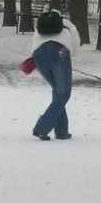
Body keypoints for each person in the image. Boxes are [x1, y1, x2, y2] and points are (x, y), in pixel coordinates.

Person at [30, 9, 81, 141]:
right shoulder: (67, 24)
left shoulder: (40, 25)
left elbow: (34, 43)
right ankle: (42, 127)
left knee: (58, 92)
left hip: (39, 55)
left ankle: (62, 132)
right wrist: (71, 54)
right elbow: (75, 44)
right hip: (59, 52)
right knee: (64, 93)